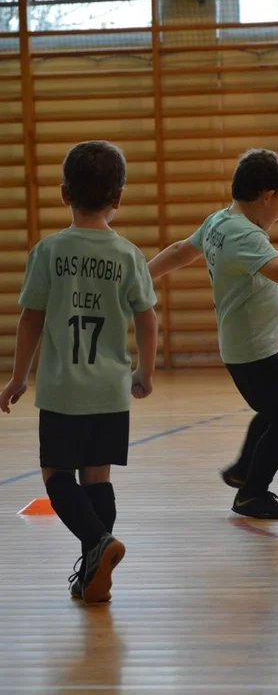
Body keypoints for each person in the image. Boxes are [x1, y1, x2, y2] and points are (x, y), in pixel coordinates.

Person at [0, 141, 158, 603]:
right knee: (98, 479)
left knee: (56, 478)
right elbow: (148, 319)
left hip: (63, 391)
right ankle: (94, 573)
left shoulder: (48, 251)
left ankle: (98, 546)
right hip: (110, 391)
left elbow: (30, 318)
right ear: (118, 199)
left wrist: (16, 377)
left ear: (64, 193)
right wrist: (145, 371)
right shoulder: (128, 254)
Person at [148, 148, 278, 519]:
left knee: (276, 411)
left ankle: (242, 471)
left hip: (265, 342)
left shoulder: (220, 220)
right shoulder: (246, 236)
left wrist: (141, 276)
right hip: (254, 350)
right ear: (267, 196)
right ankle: (252, 494)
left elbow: (179, 251)